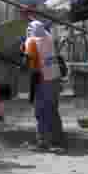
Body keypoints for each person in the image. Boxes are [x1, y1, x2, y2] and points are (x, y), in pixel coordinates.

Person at [25, 19, 65, 151]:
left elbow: (30, 65)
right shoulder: (48, 38)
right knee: (52, 110)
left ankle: (43, 141)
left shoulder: (31, 42)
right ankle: (58, 139)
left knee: (41, 112)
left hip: (42, 80)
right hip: (55, 79)